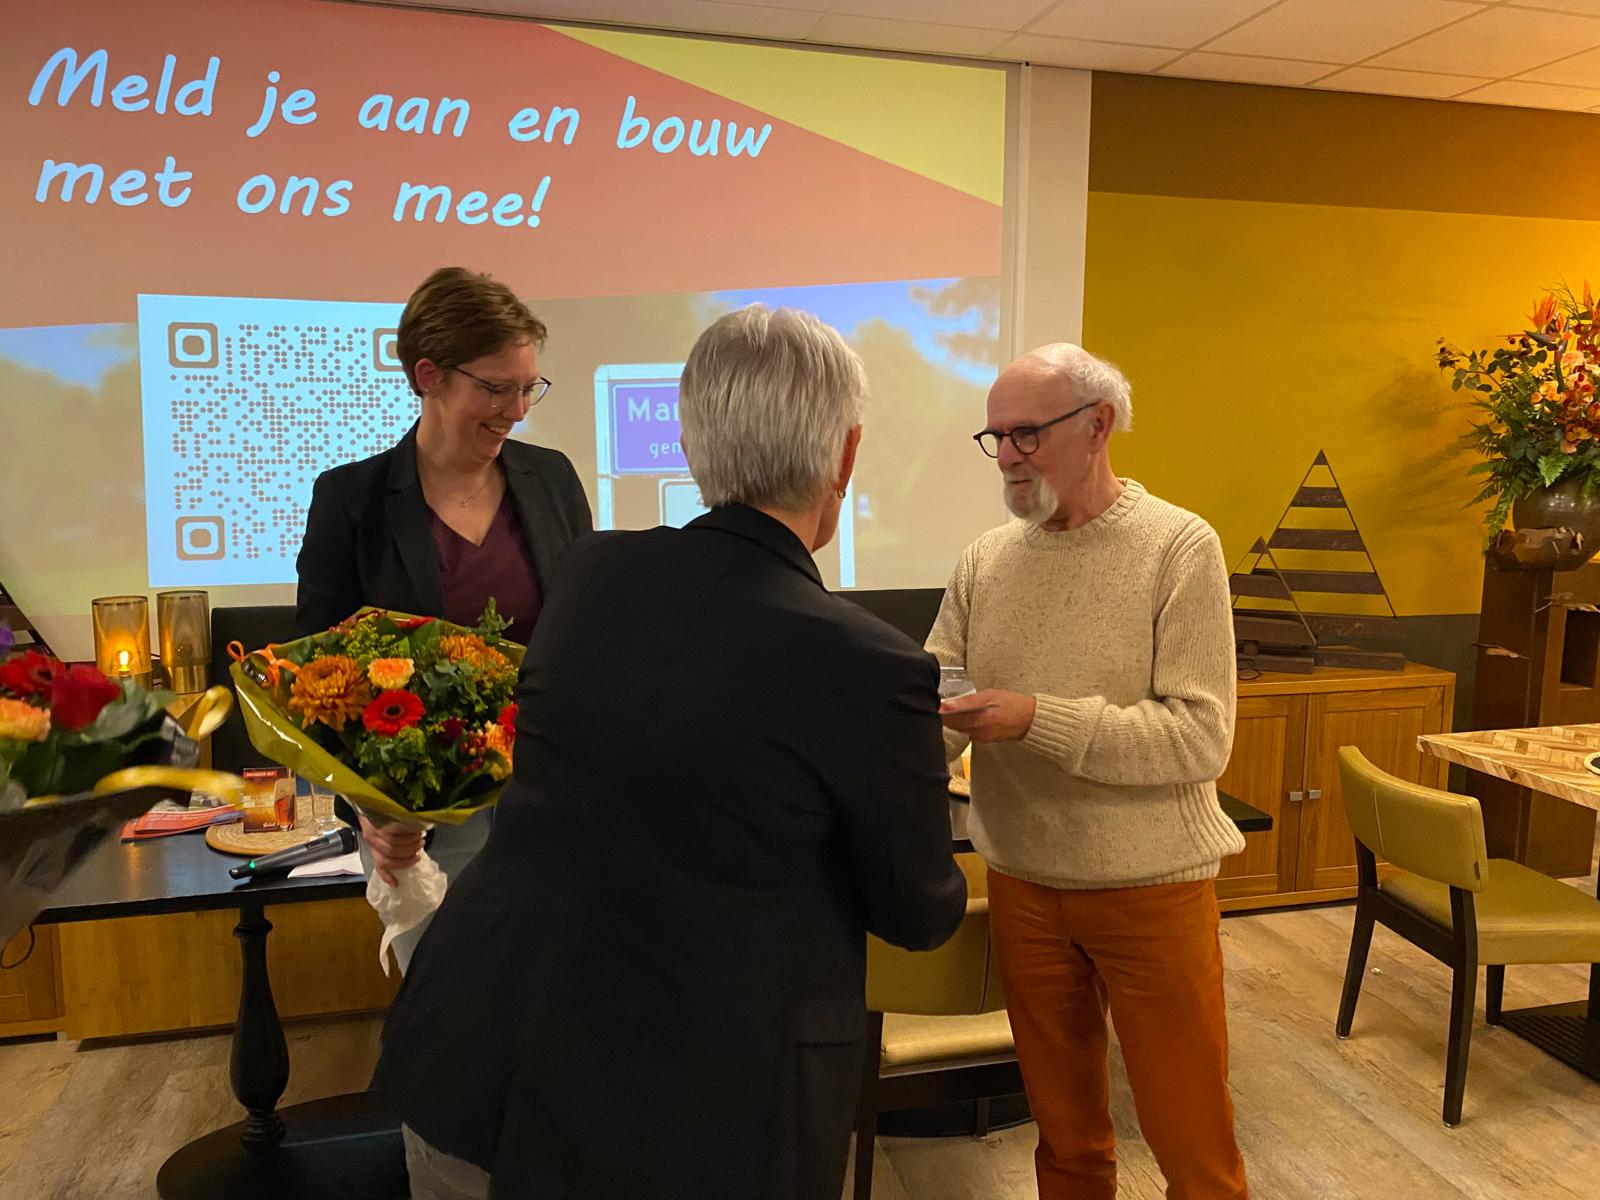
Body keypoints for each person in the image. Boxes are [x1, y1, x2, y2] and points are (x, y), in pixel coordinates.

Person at [371, 305, 967, 1200]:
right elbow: (919, 912)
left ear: (689, 446)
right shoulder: (869, 665)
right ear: (846, 454)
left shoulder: (592, 574)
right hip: (686, 1113)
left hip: (481, 1049)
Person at [928, 344, 1250, 1200]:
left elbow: (1199, 739)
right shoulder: (984, 560)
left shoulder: (1178, 547)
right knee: (1065, 1143)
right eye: (996, 437)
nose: (1007, 456)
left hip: (1151, 892)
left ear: (1098, 424)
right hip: (1023, 885)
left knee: (1194, 1149)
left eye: (1026, 434)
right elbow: (943, 696)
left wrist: (1037, 718)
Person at [295, 266, 592, 878]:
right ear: (428, 375)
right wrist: (372, 811)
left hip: (556, 801)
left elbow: (584, 638)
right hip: (421, 821)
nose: (517, 411)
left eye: (528, 388)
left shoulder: (553, 479)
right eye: (496, 389)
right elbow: (316, 685)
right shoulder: (350, 500)